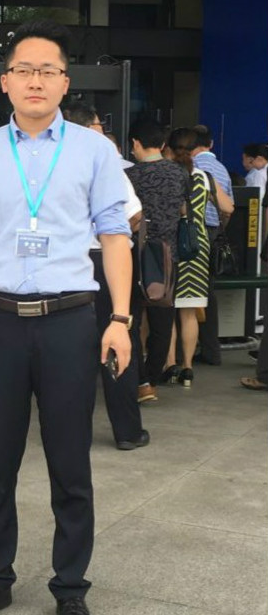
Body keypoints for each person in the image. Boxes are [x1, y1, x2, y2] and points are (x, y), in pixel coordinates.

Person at [0, 19, 132, 615]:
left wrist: (120, 317)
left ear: (65, 82)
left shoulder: (95, 151)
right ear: (5, 80)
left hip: (70, 320)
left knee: (71, 463)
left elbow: (115, 234)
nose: (36, 80)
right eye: (24, 69)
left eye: (48, 70)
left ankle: (70, 587)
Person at [63, 103, 147, 451]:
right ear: (89, 128)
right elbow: (135, 214)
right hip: (105, 261)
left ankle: (71, 433)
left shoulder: (51, 163)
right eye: (99, 123)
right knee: (117, 342)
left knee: (71, 351)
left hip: (67, 264)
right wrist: (110, 234)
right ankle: (127, 431)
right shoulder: (103, 160)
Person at [126, 119, 189, 404]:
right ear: (163, 145)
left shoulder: (129, 176)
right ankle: (151, 379)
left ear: (135, 143)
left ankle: (139, 380)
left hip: (134, 254)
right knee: (163, 320)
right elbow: (183, 209)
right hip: (167, 256)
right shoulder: (179, 173)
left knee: (130, 317)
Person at [164, 129, 233, 386]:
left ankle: (170, 364)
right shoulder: (204, 177)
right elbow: (228, 207)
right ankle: (188, 368)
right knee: (189, 310)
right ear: (195, 150)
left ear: (168, 149)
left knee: (168, 309)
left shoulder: (168, 175)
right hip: (198, 244)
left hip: (170, 244)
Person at [190, 125, 235, 365]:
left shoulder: (193, 167)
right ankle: (211, 349)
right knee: (208, 291)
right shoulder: (223, 169)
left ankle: (183, 353)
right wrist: (219, 229)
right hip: (214, 230)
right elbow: (229, 208)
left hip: (193, 232)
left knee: (188, 293)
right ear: (211, 144)